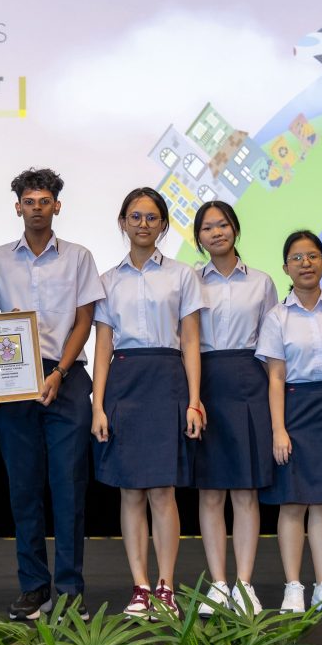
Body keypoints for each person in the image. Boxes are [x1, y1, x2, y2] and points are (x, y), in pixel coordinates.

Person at [0, 168, 104, 620]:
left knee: (69, 489)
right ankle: (33, 588)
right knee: (24, 490)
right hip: (13, 381)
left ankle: (69, 591)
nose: (36, 208)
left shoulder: (79, 257)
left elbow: (85, 321)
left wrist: (60, 372)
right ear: (18, 207)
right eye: (29, 202)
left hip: (66, 378)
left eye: (44, 201)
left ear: (57, 206)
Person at [91, 186, 205, 619]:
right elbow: (103, 346)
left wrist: (195, 400)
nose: (143, 224)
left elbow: (190, 341)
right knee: (131, 491)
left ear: (163, 225)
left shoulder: (182, 275)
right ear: (123, 223)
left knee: (163, 490)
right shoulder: (107, 280)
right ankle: (139, 586)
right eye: (135, 217)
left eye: (151, 217)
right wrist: (98, 405)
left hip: (167, 381)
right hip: (124, 384)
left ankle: (166, 586)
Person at [257, 230, 322, 616]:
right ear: (286, 268)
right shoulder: (277, 317)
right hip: (293, 408)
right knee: (292, 503)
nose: (306, 263)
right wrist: (278, 429)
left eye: (313, 256)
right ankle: (293, 587)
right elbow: (275, 378)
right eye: (297, 258)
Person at [191, 201, 276, 616]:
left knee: (245, 490)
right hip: (204, 381)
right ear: (199, 237)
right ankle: (218, 584)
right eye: (208, 227)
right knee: (210, 491)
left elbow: (273, 343)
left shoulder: (261, 282)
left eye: (223, 224)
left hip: (248, 382)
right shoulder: (190, 280)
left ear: (236, 229)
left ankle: (244, 584)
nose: (217, 232)